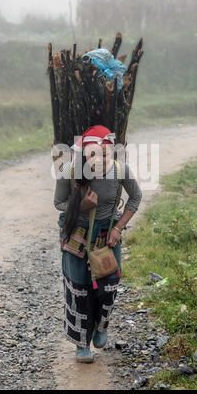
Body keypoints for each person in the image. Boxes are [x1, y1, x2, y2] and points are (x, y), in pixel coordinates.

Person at [54, 125, 142, 363]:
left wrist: (117, 227)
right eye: (94, 154)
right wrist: (80, 206)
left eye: (105, 153)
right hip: (77, 235)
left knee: (109, 285)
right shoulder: (70, 172)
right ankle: (81, 344)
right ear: (84, 154)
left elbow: (136, 197)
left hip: (106, 235)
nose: (100, 159)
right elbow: (59, 203)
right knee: (79, 288)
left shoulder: (120, 171)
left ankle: (101, 327)